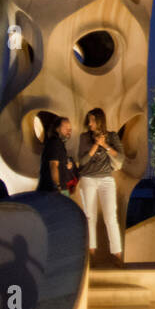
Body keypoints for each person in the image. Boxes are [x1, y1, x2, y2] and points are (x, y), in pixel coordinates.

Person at [77, 108, 125, 267]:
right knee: (89, 216)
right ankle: (91, 255)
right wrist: (95, 146)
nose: (89, 123)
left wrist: (104, 145)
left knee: (111, 217)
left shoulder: (112, 136)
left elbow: (120, 158)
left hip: (106, 179)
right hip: (88, 178)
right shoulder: (84, 138)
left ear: (99, 121)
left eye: (91, 120)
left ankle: (117, 255)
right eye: (88, 120)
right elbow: (82, 161)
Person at [37, 116, 74, 194]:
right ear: (57, 128)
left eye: (70, 128)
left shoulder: (59, 143)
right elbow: (53, 165)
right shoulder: (55, 143)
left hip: (60, 189)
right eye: (66, 127)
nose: (69, 130)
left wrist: (65, 165)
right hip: (53, 190)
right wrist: (57, 187)